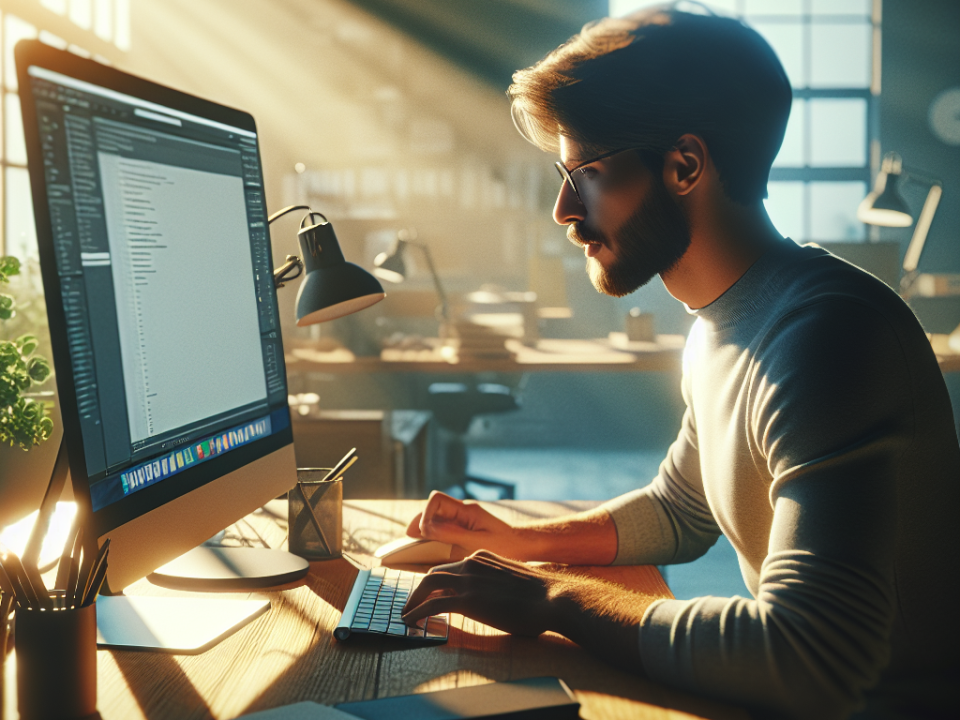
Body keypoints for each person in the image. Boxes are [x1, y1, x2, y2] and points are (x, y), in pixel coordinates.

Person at [400, 6, 960, 719]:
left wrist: (548, 596)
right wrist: (518, 542)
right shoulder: (724, 323)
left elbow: (809, 660)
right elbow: (681, 510)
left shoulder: (829, 336)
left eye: (588, 173)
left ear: (686, 165)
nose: (564, 210)